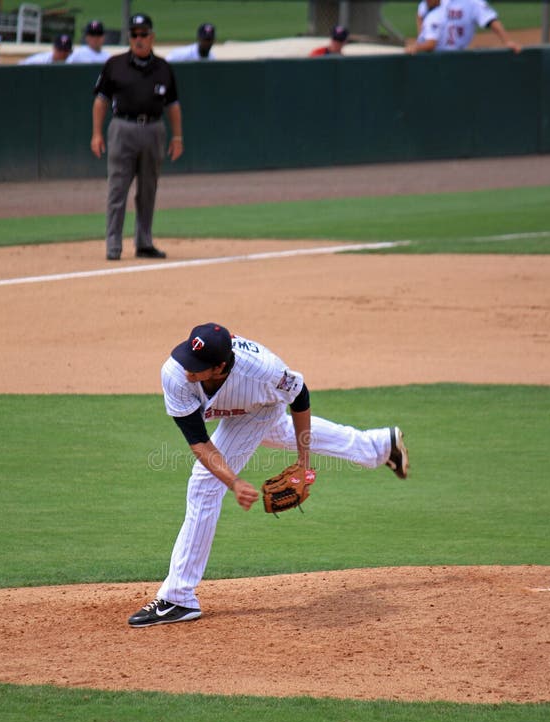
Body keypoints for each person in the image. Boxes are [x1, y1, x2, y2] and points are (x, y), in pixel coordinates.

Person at [128, 322, 409, 626]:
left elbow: (300, 395)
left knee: (205, 484)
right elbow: (199, 442)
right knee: (267, 438)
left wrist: (303, 463)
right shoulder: (175, 373)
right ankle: (379, 446)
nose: (187, 370)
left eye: (197, 367)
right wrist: (234, 481)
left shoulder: (264, 372)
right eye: (188, 359)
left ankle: (178, 597)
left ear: (219, 367)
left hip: (261, 405)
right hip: (245, 404)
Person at [90, 12, 184, 261]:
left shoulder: (163, 68)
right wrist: (96, 133)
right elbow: (101, 101)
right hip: (123, 127)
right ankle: (113, 245)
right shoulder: (115, 64)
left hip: (154, 128)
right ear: (129, 38)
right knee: (117, 188)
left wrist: (177, 137)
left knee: (148, 190)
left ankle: (144, 242)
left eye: (143, 34)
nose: (139, 39)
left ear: (152, 37)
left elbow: (173, 105)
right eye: (134, 35)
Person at [408, 0, 521, 53]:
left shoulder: (474, 3)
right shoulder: (437, 2)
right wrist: (421, 38)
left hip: (457, 56)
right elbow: (420, 13)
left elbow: (492, 21)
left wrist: (507, 41)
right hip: (431, 54)